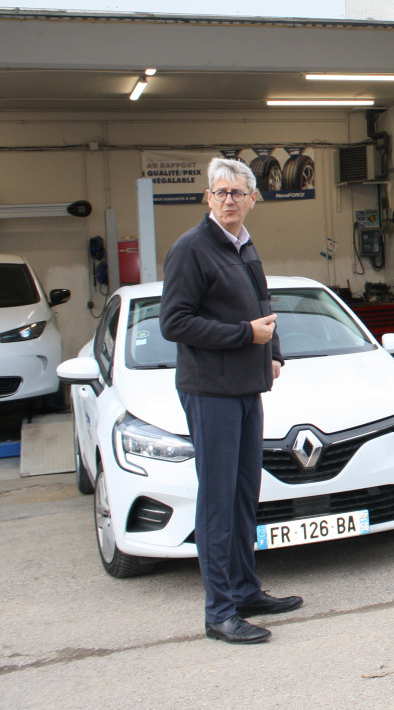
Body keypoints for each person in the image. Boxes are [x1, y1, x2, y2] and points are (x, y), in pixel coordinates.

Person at [160, 157, 300, 645]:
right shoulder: (191, 249)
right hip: (210, 391)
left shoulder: (243, 245)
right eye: (219, 193)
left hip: (246, 387)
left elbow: (263, 303)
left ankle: (245, 590)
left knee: (244, 494)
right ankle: (219, 612)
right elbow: (174, 323)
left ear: (253, 198)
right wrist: (246, 336)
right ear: (207, 198)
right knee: (217, 500)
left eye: (237, 193)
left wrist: (272, 351)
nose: (228, 201)